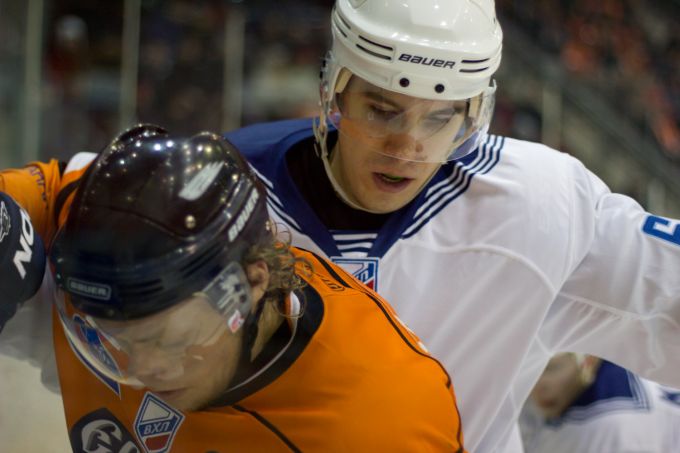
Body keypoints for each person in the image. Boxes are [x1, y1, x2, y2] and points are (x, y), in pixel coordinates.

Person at [221, 0, 680, 451]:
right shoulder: (226, 189)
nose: (407, 146)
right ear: (334, 91)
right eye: (381, 110)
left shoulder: (537, 207)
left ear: (473, 115)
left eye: (440, 117)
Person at [0, 125, 466, 452]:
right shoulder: (102, 229)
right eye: (114, 339)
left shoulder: (384, 426)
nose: (143, 369)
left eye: (172, 340)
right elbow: (44, 193)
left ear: (252, 282)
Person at [520, 353, 680, 453]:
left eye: (550, 369)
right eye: (528, 370)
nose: (536, 385)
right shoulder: (616, 361)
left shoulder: (602, 429)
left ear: (588, 362)